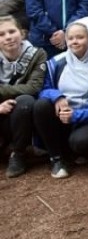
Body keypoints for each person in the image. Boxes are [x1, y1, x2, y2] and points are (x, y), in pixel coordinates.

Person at [32, 17, 88, 178]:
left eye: (80, 37)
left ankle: (77, 151)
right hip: (61, 114)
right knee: (41, 105)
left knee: (81, 142)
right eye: (70, 38)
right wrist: (57, 97)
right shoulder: (57, 62)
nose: (74, 42)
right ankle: (56, 158)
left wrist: (76, 115)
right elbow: (44, 89)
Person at [0, 14, 46, 178]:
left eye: (12, 31)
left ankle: (17, 154)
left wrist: (2, 91)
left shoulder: (37, 54)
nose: (8, 37)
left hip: (23, 113)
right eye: (2, 34)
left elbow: (33, 87)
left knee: (25, 101)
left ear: (22, 33)